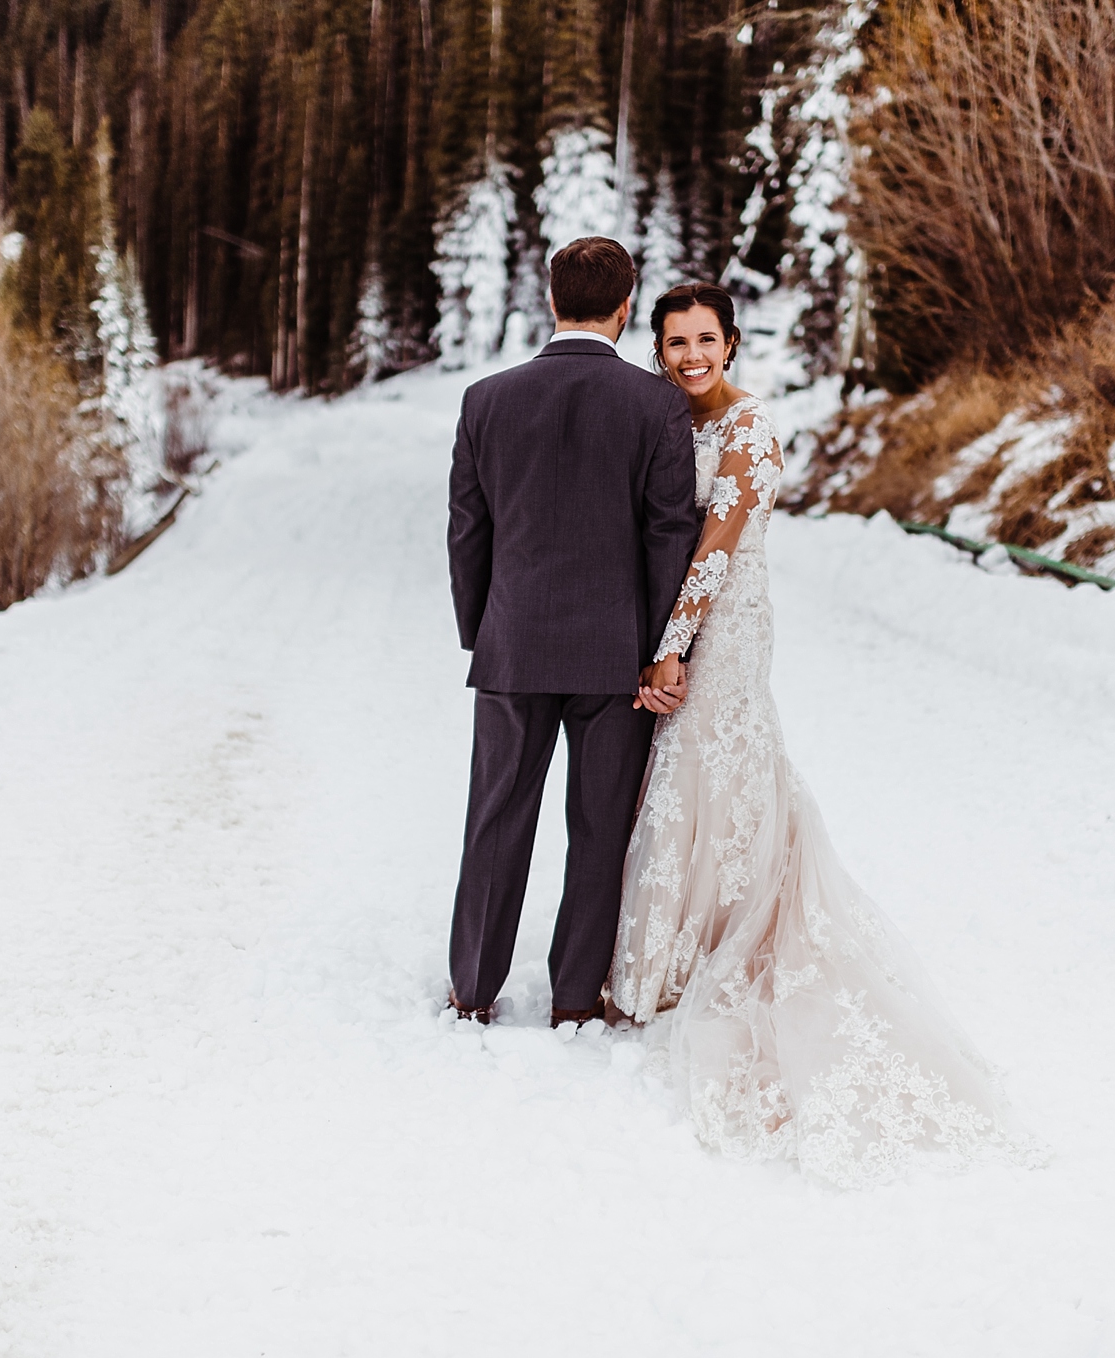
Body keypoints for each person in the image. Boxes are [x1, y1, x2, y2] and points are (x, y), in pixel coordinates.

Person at [609, 282, 1044, 1186]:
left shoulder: (750, 428)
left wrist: (671, 647)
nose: (690, 356)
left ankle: (724, 940)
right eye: (674, 342)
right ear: (657, 350)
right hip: (677, 624)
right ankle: (678, 943)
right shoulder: (663, 420)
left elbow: (717, 544)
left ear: (730, 344)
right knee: (684, 769)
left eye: (705, 340)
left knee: (715, 758)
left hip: (725, 623)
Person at [445, 238, 703, 1028]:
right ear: (627, 306)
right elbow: (668, 536)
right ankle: (572, 998)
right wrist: (663, 649)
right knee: (597, 830)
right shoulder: (655, 405)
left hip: (514, 645)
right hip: (613, 655)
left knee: (495, 821)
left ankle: (473, 991)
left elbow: (467, 531)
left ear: (550, 300)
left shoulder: (486, 399)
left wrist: (483, 629)